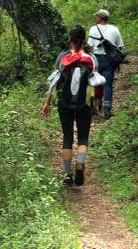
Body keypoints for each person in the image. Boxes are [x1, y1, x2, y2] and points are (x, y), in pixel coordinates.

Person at [42, 25, 96, 186]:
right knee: (83, 137)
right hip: (84, 104)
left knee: (67, 137)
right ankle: (79, 164)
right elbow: (95, 83)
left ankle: (67, 174)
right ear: (84, 39)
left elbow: (54, 81)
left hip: (64, 103)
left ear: (70, 39)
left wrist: (47, 102)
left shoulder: (62, 57)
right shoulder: (91, 57)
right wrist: (96, 103)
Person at [88, 9, 124, 120]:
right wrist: (117, 63)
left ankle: (93, 107)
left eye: (96, 16)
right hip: (109, 60)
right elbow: (119, 47)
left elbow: (89, 47)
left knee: (93, 82)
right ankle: (107, 109)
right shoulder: (115, 29)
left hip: (96, 59)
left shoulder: (93, 29)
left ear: (100, 18)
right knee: (108, 85)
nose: (95, 18)